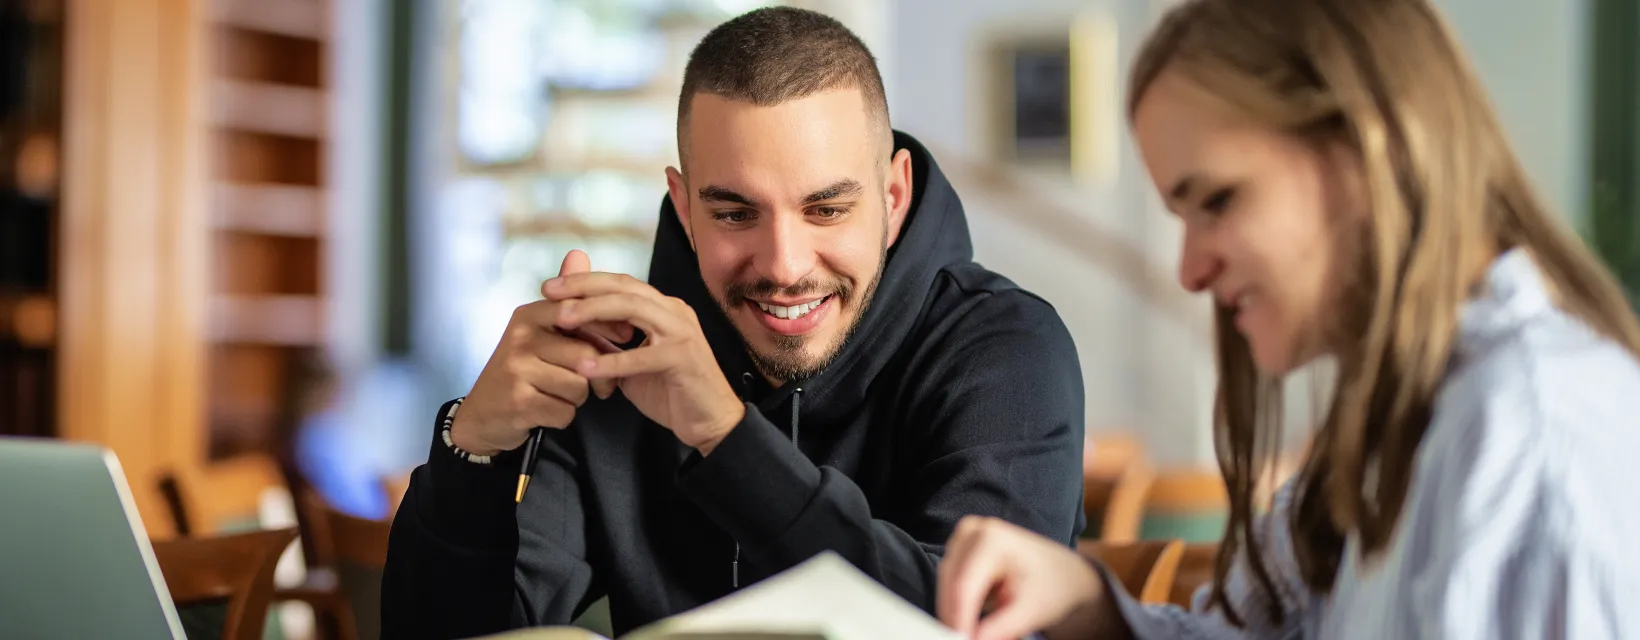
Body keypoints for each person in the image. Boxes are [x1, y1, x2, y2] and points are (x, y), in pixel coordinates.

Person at [936, 0, 1640, 638]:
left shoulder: (1535, 434)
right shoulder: (1387, 429)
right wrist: (1088, 604)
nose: (1189, 272)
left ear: (1366, 147)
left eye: (1218, 201)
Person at [382, 7, 1088, 638]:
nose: (784, 265)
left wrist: (724, 434)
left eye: (827, 209)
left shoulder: (1007, 351)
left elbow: (977, 627)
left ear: (893, 195)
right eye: (734, 214)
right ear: (685, 209)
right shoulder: (623, 360)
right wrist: (473, 450)